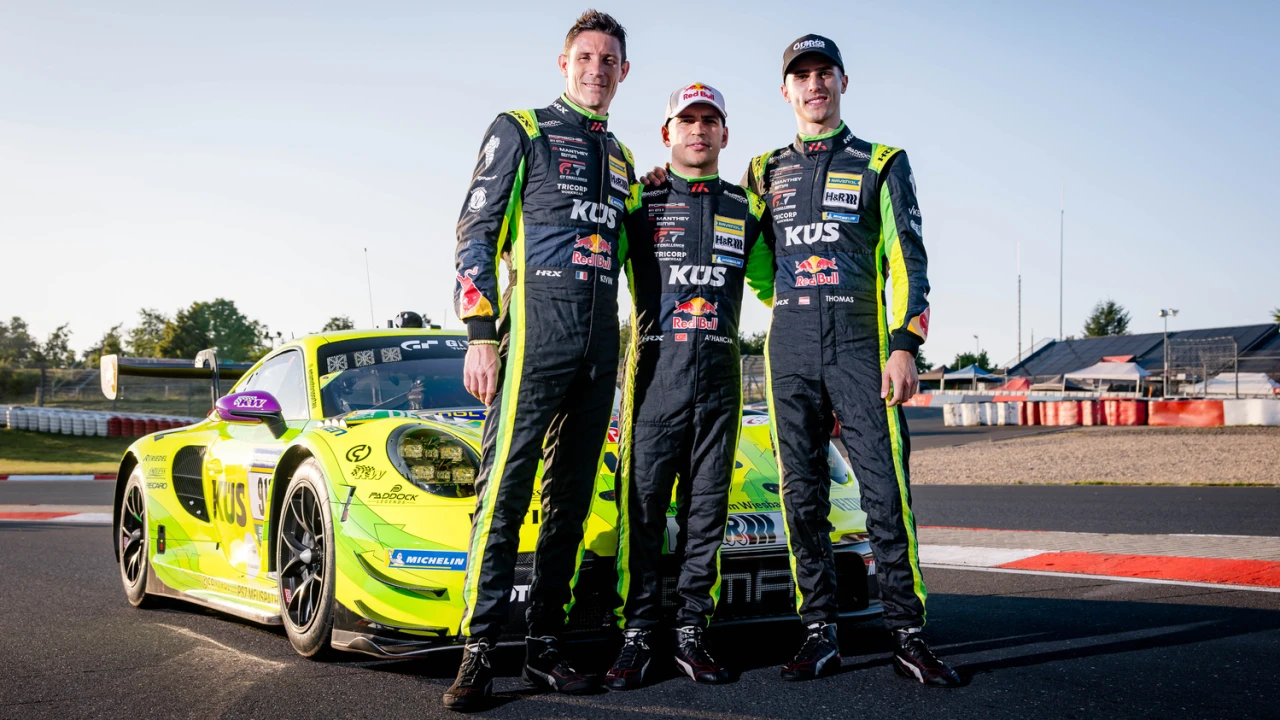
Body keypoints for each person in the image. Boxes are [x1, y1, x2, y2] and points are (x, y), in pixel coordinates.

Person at [742, 34, 960, 687]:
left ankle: (908, 634)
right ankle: (819, 632)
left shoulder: (883, 162)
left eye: (824, 73)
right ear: (786, 90)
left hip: (864, 347)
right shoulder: (761, 170)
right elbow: (755, 258)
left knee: (885, 492)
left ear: (842, 81)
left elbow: (907, 258)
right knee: (801, 494)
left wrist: (905, 345)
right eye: (801, 75)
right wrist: (785, 302)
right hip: (790, 348)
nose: (814, 84)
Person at [443, 10, 638, 711]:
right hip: (533, 336)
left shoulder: (624, 160)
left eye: (608, 59)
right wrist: (479, 332)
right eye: (585, 57)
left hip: (601, 347)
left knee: (572, 501)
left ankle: (544, 646)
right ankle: (478, 650)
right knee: (503, 494)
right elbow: (475, 230)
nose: (595, 69)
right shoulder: (520, 128)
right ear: (564, 64)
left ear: (623, 72)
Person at [605, 83, 774, 690]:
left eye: (709, 121)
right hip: (654, 381)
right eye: (687, 120)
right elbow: (591, 270)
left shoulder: (747, 208)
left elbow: (777, 290)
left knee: (707, 515)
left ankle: (692, 631)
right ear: (667, 133)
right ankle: (636, 635)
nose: (698, 130)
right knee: (643, 513)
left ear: (725, 134)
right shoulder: (637, 200)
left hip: (721, 385)